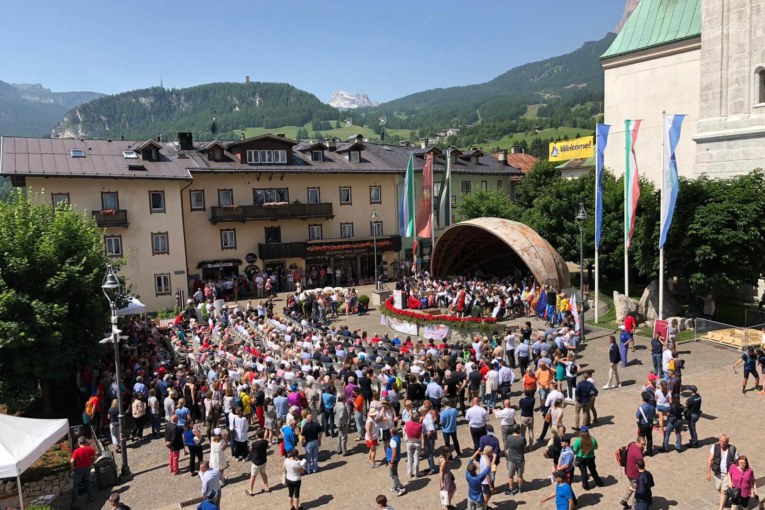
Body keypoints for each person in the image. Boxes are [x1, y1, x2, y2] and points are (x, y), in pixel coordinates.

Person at [707, 434, 739, 510]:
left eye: (724, 441)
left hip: (728, 474)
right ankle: (727, 495)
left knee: (723, 491)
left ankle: (721, 508)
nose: (722, 443)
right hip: (717, 472)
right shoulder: (715, 447)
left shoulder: (733, 449)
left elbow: (737, 463)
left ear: (727, 441)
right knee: (718, 487)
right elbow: (709, 460)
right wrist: (708, 472)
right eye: (721, 441)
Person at [70, 436, 97, 506]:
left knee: (76, 486)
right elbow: (95, 457)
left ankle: (74, 502)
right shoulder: (90, 449)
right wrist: (92, 463)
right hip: (87, 468)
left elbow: (72, 461)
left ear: (79, 443)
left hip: (78, 469)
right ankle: (91, 497)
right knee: (88, 482)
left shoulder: (76, 451)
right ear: (85, 442)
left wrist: (73, 468)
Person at [620, 436, 646, 508]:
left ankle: (624, 499)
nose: (643, 446)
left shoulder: (632, 444)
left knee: (633, 485)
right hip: (634, 474)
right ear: (637, 442)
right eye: (642, 444)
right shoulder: (639, 455)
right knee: (637, 491)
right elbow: (641, 467)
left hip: (628, 471)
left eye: (644, 444)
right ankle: (634, 507)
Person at [246, 429, 270, 496]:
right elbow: (267, 446)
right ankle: (266, 487)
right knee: (263, 473)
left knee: (253, 476)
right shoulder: (265, 442)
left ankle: (250, 491)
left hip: (256, 462)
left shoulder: (254, 444)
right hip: (263, 460)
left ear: (257, 436)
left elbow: (250, 450)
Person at [504, 424, 526, 496]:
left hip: (511, 460)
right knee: (520, 475)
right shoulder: (522, 438)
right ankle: (519, 489)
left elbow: (506, 448)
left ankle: (511, 489)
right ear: (518, 430)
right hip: (520, 459)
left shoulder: (509, 438)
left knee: (510, 476)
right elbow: (524, 446)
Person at [386, 426, 406, 496]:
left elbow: (394, 452)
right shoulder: (397, 437)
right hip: (396, 458)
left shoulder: (393, 440)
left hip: (394, 460)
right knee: (395, 473)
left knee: (392, 475)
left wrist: (391, 462)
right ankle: (395, 487)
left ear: (391, 432)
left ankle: (400, 487)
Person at [405, 410, 422, 478]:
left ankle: (409, 473)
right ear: (417, 419)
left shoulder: (407, 424)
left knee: (409, 458)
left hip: (409, 442)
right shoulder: (420, 425)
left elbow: (405, 432)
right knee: (416, 458)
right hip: (417, 443)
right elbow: (421, 433)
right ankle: (416, 473)